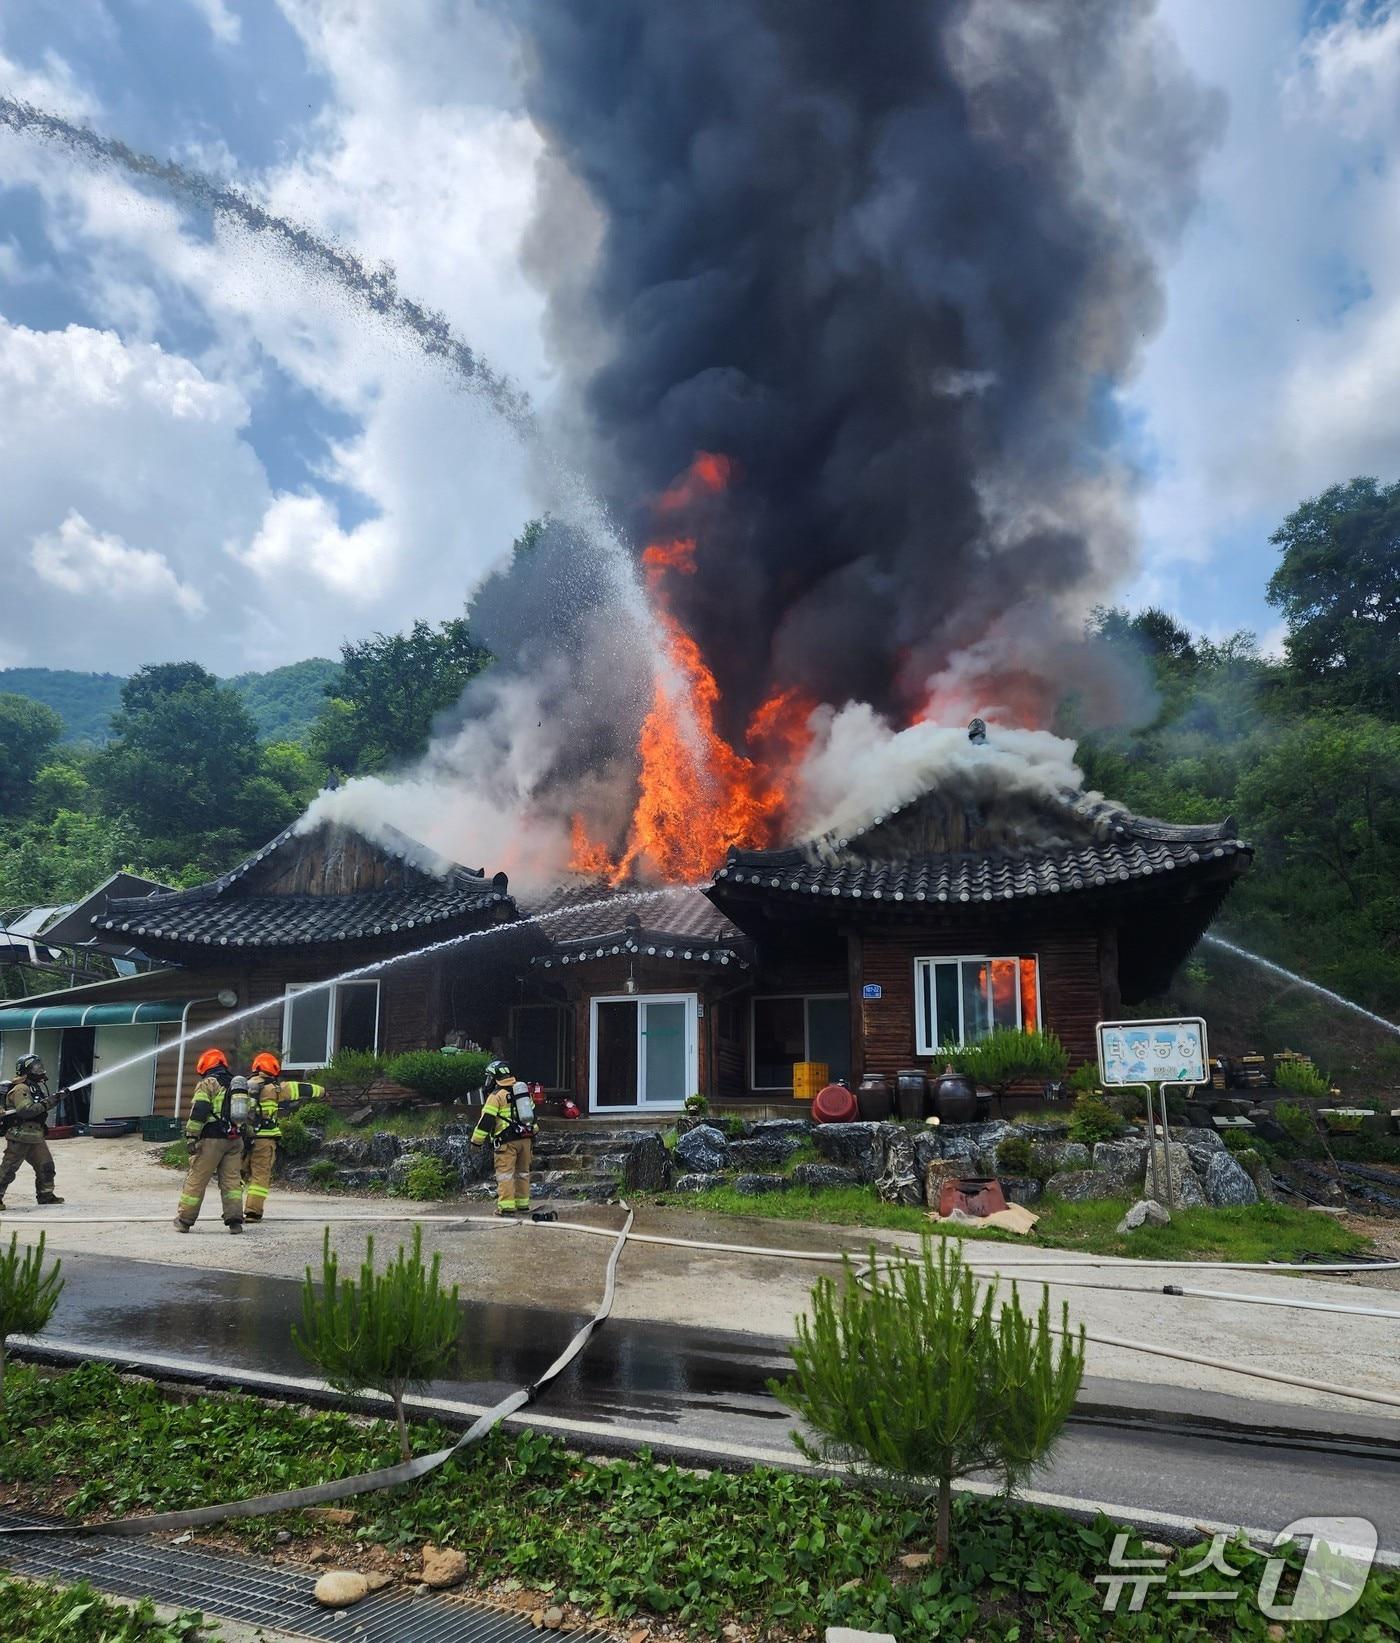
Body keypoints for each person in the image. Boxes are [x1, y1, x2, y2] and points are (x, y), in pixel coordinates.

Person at [242, 1051, 325, 1223]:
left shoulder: (240, 1088)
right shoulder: (275, 1089)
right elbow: (301, 1088)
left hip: (240, 1140)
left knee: (236, 1175)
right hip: (264, 1140)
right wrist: (322, 1091)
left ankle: (232, 1211)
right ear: (272, 1069)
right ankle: (252, 1212)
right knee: (260, 1176)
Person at [175, 1049, 250, 1233]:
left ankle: (185, 1219)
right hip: (234, 1140)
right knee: (232, 1182)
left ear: (205, 1066)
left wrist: (192, 1135)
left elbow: (200, 1110)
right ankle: (235, 1221)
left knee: (197, 1179)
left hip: (211, 1140)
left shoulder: (208, 1083)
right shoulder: (235, 1085)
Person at [470, 1059, 539, 1215]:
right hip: (526, 1139)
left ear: (495, 1078)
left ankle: (506, 1208)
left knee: (505, 1174)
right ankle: (523, 1205)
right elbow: (534, 1117)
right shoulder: (523, 1092)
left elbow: (486, 1121)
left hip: (506, 1142)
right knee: (523, 1172)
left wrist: (476, 1142)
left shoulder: (496, 1096)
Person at [0, 1054, 65, 1209]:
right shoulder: (21, 1088)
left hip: (36, 1135)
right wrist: (51, 1100)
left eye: (40, 1067)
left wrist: (55, 1098)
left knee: (46, 1166)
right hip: (20, 1135)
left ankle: (46, 1196)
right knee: (8, 1169)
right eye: (36, 1068)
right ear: (26, 1070)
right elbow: (26, 1111)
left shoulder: (34, 1086)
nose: (40, 1070)